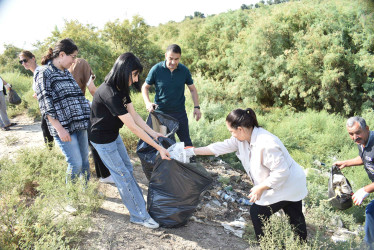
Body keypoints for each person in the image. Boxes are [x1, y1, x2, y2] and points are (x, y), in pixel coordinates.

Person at [185, 108, 308, 242]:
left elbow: (282, 172)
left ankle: (270, 245)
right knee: (294, 215)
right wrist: (192, 151)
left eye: (232, 131)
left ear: (240, 129)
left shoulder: (266, 143)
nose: (232, 135)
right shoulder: (241, 139)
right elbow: (219, 147)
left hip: (290, 182)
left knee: (260, 213)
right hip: (279, 183)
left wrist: (260, 188)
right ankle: (298, 244)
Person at [89, 52, 171, 229]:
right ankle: (139, 216)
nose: (135, 79)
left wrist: (154, 133)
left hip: (112, 134)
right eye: (134, 74)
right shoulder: (109, 92)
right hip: (102, 140)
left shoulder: (121, 88)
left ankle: (137, 205)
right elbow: (132, 127)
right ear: (124, 71)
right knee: (123, 176)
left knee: (127, 168)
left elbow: (135, 116)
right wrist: (158, 147)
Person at [35, 38, 91, 183]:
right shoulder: (44, 73)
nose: (74, 61)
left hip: (80, 124)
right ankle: (70, 198)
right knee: (75, 163)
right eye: (72, 57)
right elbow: (45, 104)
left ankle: (86, 191)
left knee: (85, 161)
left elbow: (78, 97)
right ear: (61, 54)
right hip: (64, 128)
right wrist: (59, 129)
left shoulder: (66, 73)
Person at [141, 44, 201, 147]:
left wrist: (196, 107)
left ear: (180, 58)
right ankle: (165, 163)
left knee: (186, 142)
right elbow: (145, 87)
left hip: (179, 113)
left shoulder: (184, 71)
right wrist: (147, 103)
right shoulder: (156, 69)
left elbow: (192, 90)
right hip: (160, 114)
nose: (173, 62)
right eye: (170, 58)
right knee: (163, 143)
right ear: (165, 56)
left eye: (176, 59)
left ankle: (190, 162)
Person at [68, 58, 114, 184]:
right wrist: (107, 104)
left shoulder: (60, 66)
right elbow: (93, 89)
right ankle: (104, 175)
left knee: (77, 150)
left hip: (66, 113)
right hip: (79, 111)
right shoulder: (81, 63)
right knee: (94, 141)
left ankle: (83, 182)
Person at [334, 116, 374, 249]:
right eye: (351, 134)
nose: (355, 137)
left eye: (358, 132)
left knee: (371, 210)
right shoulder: (363, 142)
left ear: (367, 129)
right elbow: (366, 158)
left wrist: (366, 189)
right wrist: (346, 163)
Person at [19, 50, 54, 146]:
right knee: (46, 128)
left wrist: (39, 94)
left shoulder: (40, 71)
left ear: (33, 58)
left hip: (49, 106)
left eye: (25, 60)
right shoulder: (36, 72)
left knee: (46, 129)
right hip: (45, 106)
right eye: (21, 62)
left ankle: (50, 151)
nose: (23, 63)